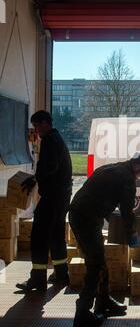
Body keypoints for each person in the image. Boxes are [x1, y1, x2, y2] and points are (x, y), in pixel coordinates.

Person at [69, 153, 140, 327]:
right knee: (95, 264)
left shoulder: (111, 168)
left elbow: (99, 195)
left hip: (83, 214)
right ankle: (82, 312)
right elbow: (127, 211)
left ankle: (104, 300)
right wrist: (131, 233)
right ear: (137, 167)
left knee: (100, 261)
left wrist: (109, 214)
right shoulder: (127, 178)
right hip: (86, 219)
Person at [16, 110, 72, 292]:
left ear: (44, 123)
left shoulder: (49, 139)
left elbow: (50, 166)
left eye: (37, 126)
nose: (36, 131)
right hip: (62, 196)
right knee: (56, 235)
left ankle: (37, 280)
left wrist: (34, 178)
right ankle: (62, 274)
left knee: (39, 237)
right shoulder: (58, 139)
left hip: (52, 196)